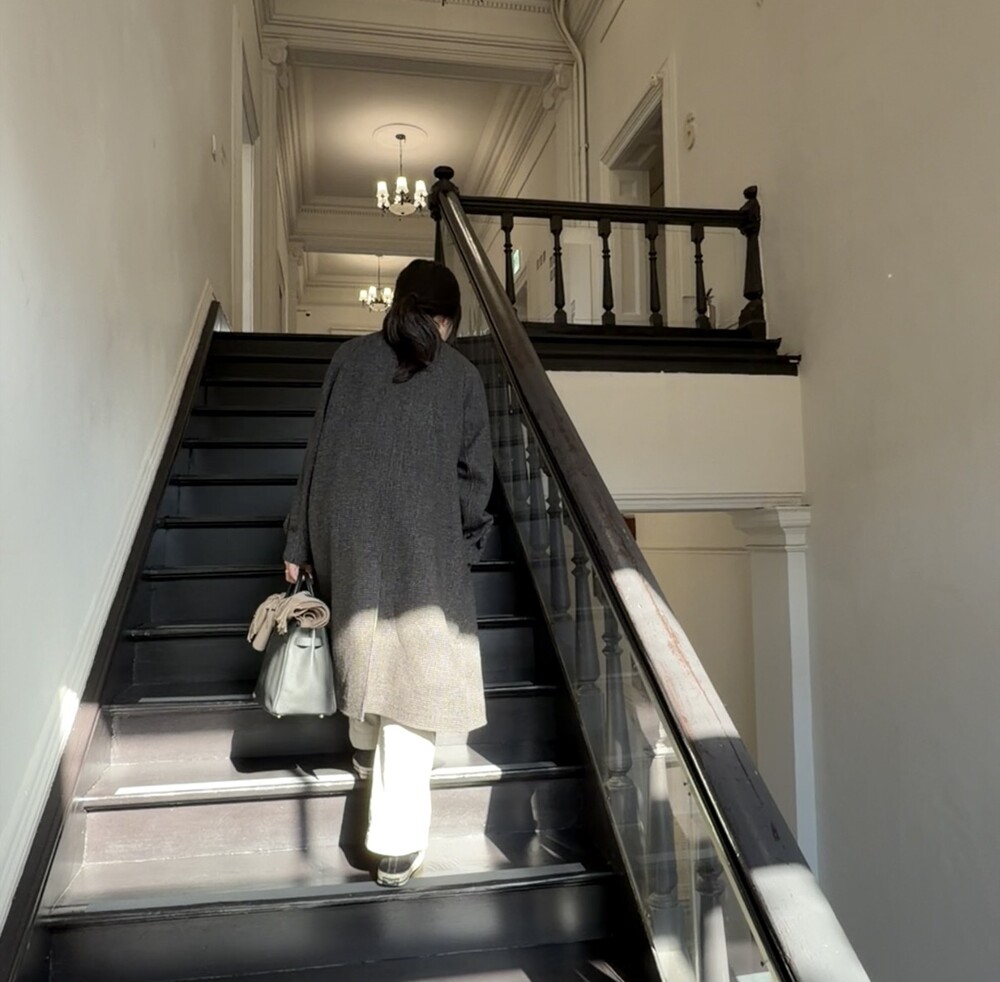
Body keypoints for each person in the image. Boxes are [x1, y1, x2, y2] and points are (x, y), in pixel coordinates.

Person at [282, 259, 494, 888]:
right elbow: (474, 477)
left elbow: (316, 450)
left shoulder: (348, 358)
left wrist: (299, 538)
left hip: (346, 530)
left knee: (363, 639)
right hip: (424, 537)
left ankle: (363, 745)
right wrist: (464, 536)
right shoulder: (461, 375)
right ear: (447, 318)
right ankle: (396, 845)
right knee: (415, 680)